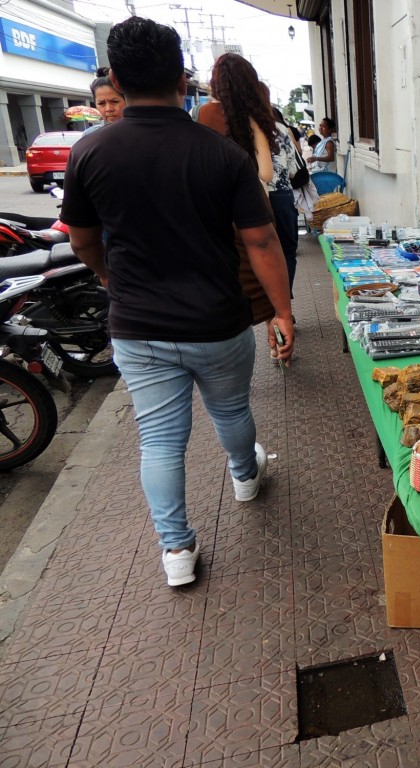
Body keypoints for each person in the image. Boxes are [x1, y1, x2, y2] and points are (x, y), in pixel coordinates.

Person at [60, 17, 294, 588]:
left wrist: (112, 278)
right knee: (232, 412)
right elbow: (261, 240)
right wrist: (283, 312)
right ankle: (245, 477)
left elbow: (81, 239)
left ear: (116, 77)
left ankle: (177, 553)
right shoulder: (220, 155)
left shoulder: (90, 152)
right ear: (182, 78)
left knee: (160, 439)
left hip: (138, 325)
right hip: (218, 319)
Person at [197, 53, 279, 324]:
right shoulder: (255, 117)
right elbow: (266, 173)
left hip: (213, 212)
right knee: (264, 277)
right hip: (255, 207)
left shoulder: (203, 115)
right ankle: (277, 336)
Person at [268, 106, 302, 298]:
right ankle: (283, 306)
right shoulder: (279, 129)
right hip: (280, 195)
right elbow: (293, 170)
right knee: (287, 251)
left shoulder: (235, 125)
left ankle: (269, 308)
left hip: (247, 195)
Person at [83, 68, 125, 135]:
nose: (108, 109)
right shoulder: (90, 135)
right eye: (101, 103)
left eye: (114, 102)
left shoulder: (142, 131)